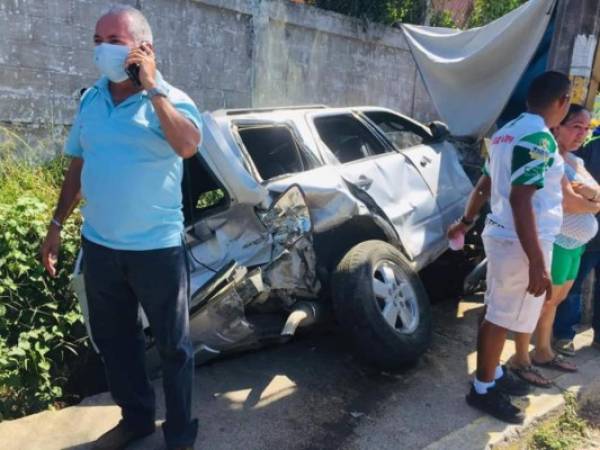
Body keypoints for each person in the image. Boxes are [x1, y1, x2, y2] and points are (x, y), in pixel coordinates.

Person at [40, 5, 201, 450]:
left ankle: (181, 434)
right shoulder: (90, 101)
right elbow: (78, 164)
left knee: (173, 347)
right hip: (100, 247)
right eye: (98, 40)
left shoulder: (170, 99)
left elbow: (188, 145)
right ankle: (137, 419)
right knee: (117, 342)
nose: (103, 49)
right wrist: (56, 226)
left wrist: (152, 88)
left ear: (142, 47)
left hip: (157, 249)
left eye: (114, 40)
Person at [461, 71, 571, 423]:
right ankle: (483, 390)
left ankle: (491, 376)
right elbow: (522, 198)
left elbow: (485, 184)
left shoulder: (506, 132)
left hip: (503, 234)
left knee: (496, 309)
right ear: (562, 102)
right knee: (500, 316)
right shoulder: (539, 138)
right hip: (522, 241)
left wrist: (465, 221)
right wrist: (538, 262)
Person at [553, 120, 600, 353]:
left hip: (587, 227)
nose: (582, 134)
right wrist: (593, 200)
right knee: (571, 290)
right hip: (582, 238)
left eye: (585, 128)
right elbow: (575, 190)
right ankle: (563, 335)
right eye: (576, 127)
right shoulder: (592, 147)